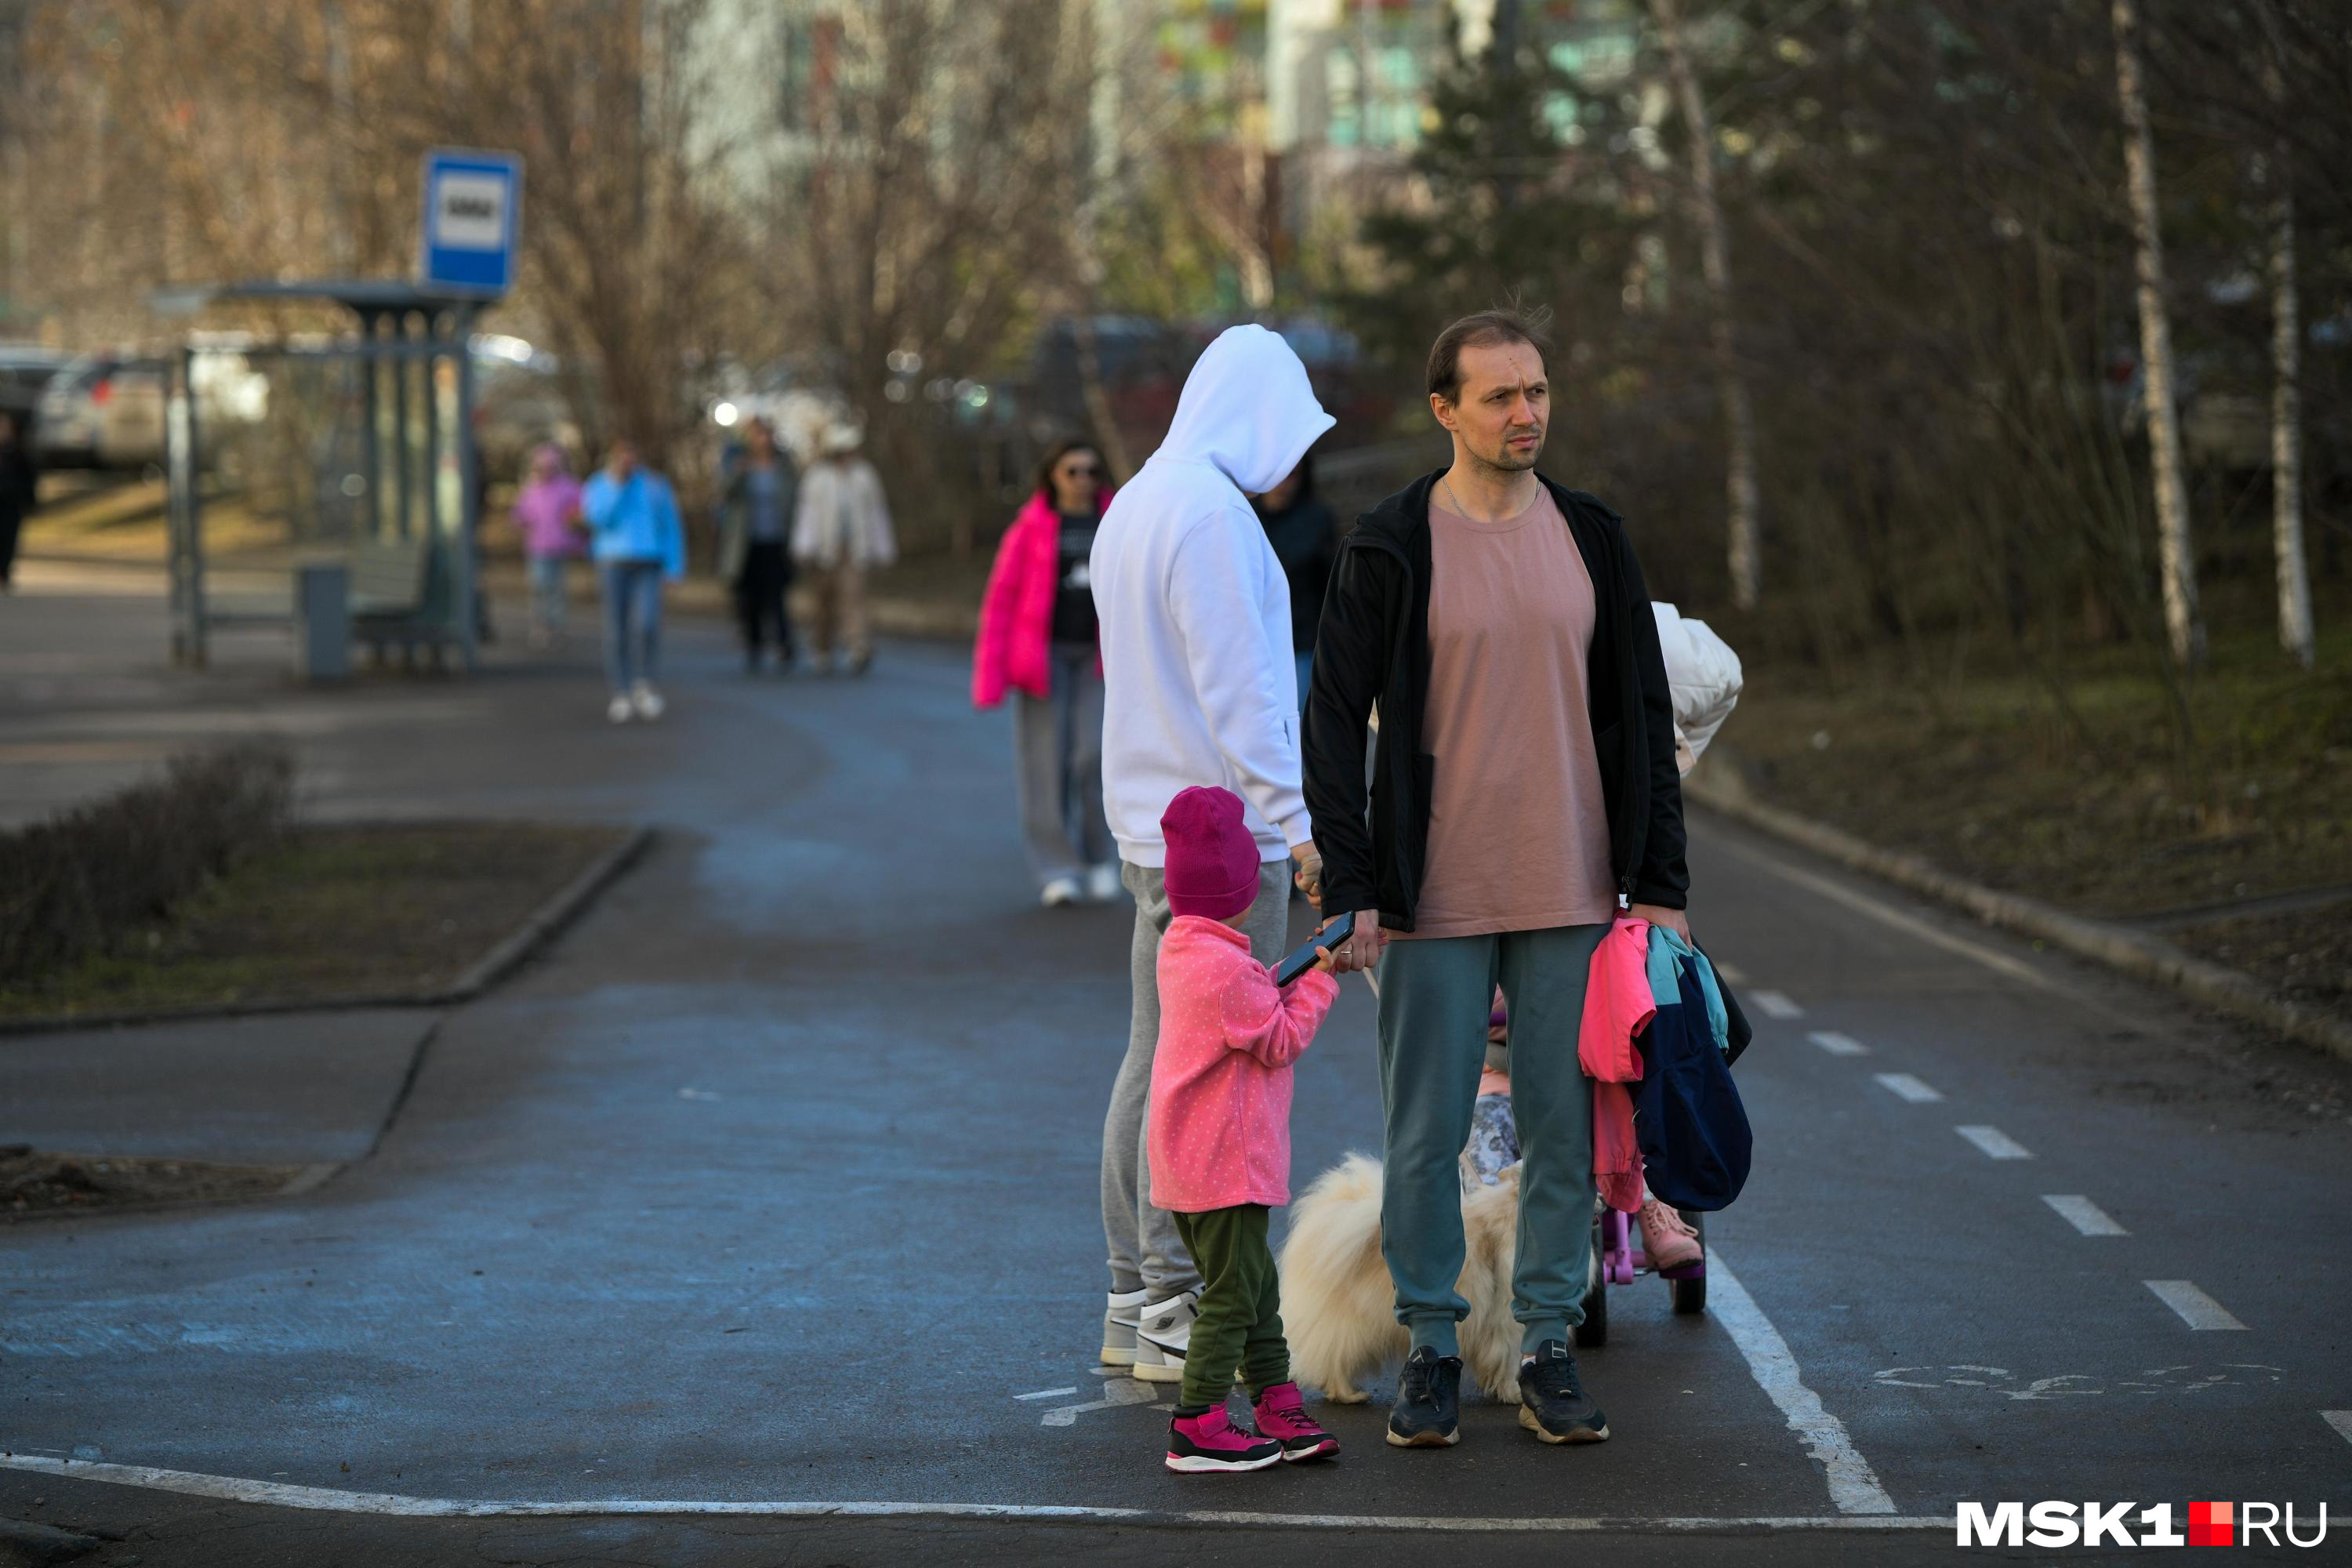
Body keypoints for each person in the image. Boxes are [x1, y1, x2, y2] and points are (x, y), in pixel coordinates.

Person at [1301, 307, 1692, 1450]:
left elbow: (1642, 712)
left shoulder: (1594, 537)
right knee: (1424, 1135)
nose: (1527, 414)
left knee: (1564, 1134)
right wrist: (1349, 886)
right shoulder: (1389, 544)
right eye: (1501, 396)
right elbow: (1335, 719)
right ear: (1445, 411)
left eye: (1539, 391)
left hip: (1574, 886)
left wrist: (1658, 879)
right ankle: (1431, 1346)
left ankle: (1546, 1347)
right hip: (1433, 892)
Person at [1088, 324, 1334, 1385]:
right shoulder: (1213, 519)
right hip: (1229, 840)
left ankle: (1136, 1299)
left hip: (1155, 826)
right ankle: (1182, 1304)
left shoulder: (1139, 499)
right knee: (1225, 1071)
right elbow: (1246, 693)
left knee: (1156, 1058)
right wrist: (1301, 828)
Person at [1146, 786, 1342, 1473]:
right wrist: (1321, 977)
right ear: (1240, 887)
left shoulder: (1184, 948)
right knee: (1232, 1297)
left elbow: (1250, 1009)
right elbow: (1280, 1037)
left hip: (1191, 1167)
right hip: (1226, 1168)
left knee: (1255, 1287)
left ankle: (1275, 1399)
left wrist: (1282, 978)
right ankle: (1197, 1422)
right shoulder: (1229, 971)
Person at [972, 439, 1117, 907]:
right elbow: (1000, 601)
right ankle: (1057, 869)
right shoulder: (1029, 527)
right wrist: (990, 676)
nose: (1082, 480)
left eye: (1091, 471)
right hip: (1042, 660)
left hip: (1101, 659)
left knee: (1093, 757)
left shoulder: (1118, 519)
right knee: (1045, 765)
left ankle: (1099, 858)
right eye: (1072, 470)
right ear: (1052, 474)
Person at [580, 437, 686, 724]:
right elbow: (597, 520)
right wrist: (617, 486)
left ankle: (645, 683)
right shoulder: (600, 484)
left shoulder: (654, 484)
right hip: (613, 563)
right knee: (616, 628)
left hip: (648, 563)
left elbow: (670, 525)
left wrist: (674, 566)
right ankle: (621, 690)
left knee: (647, 623)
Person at [792, 424, 896, 676]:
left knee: (854, 598)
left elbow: (877, 513)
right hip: (824, 551)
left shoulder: (865, 476)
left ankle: (858, 646)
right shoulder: (817, 477)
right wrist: (804, 545)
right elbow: (807, 514)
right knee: (824, 603)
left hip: (855, 550)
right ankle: (822, 648)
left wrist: (883, 547)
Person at [1251, 454, 1337, 709]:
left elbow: (1328, 581)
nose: (1283, 483)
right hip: (1256, 643)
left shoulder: (1316, 518)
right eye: (1276, 472)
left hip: (1304, 640)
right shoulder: (1244, 518)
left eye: (1292, 474)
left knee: (1298, 718)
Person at [717, 419, 800, 673]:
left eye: (766, 435)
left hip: (776, 539)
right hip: (746, 543)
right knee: (750, 597)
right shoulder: (739, 464)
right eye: (758, 436)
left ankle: (784, 642)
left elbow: (796, 499)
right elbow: (723, 493)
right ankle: (754, 645)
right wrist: (737, 472)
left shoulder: (784, 467)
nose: (763, 440)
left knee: (777, 594)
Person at [511, 443, 584, 648]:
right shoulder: (531, 490)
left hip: (561, 545)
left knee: (557, 588)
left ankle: (556, 626)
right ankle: (540, 625)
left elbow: (580, 511)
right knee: (540, 587)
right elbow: (519, 515)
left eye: (550, 467)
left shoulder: (568, 487)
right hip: (538, 546)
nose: (546, 471)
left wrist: (576, 526)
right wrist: (522, 525)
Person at [0, 412, 34, 590]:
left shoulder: (18, 453)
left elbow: (28, 478)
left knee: (9, 539)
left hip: (11, 504)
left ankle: (4, 572)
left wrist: (29, 500)